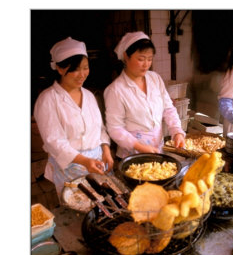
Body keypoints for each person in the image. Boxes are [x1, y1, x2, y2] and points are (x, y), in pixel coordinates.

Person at [34, 36, 113, 197]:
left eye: (86, 67)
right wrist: (84, 161)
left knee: (104, 207)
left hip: (97, 164)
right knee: (77, 210)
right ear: (60, 68)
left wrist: (106, 150)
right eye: (76, 69)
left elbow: (100, 129)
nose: (82, 74)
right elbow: (54, 142)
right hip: (70, 168)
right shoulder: (48, 100)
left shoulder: (89, 96)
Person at [104, 31, 186, 159]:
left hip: (157, 150)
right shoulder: (115, 90)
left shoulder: (155, 79)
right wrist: (139, 147)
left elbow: (168, 108)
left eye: (150, 59)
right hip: (132, 156)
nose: (146, 64)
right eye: (141, 59)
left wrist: (177, 132)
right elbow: (115, 128)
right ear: (126, 56)